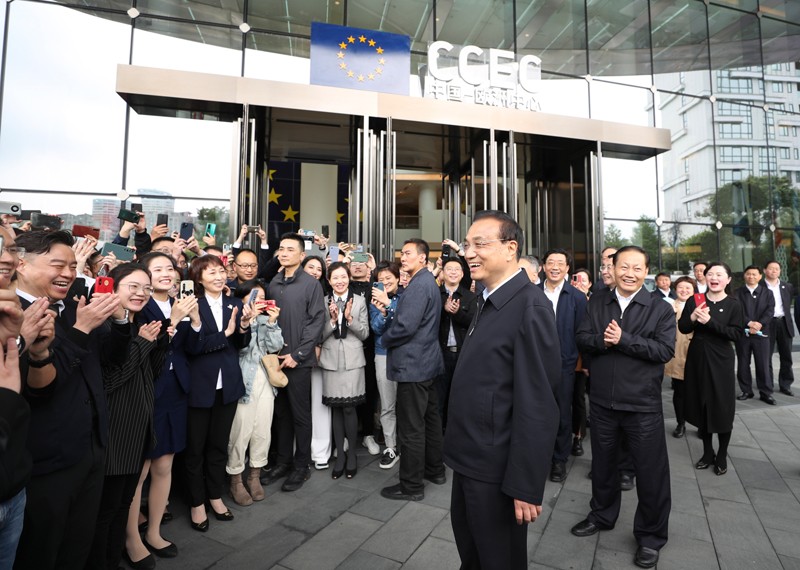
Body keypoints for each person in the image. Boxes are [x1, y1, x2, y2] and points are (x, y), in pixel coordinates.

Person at [446, 211, 561, 569]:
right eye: (467, 245)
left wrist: (525, 484)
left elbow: (539, 404)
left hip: (496, 469)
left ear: (511, 248)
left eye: (480, 244)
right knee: (472, 555)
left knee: (499, 560)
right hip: (470, 459)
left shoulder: (530, 307)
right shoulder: (486, 298)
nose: (469, 253)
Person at [13, 230, 133, 570]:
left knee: (78, 546)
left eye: (71, 265)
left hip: (90, 448)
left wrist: (119, 320)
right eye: (58, 265)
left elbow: (112, 358)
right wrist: (82, 329)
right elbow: (38, 387)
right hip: (45, 459)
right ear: (21, 264)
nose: (68, 273)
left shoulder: (72, 307)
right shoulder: (12, 314)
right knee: (41, 551)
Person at [572, 245, 675, 569]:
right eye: (623, 267)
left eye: (637, 268)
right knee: (603, 467)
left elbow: (664, 350)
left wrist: (624, 339)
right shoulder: (597, 302)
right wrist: (604, 340)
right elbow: (582, 338)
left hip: (642, 406)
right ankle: (601, 515)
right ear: (612, 269)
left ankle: (651, 537)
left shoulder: (660, 308)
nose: (629, 274)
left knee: (650, 474)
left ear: (646, 272)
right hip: (602, 402)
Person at [86, 263, 170, 570]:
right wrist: (143, 343)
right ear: (111, 287)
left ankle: (112, 561)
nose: (141, 293)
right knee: (105, 512)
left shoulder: (138, 327)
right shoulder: (102, 328)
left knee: (124, 505)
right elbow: (109, 382)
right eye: (133, 286)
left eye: (146, 288)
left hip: (137, 433)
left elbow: (150, 375)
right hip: (114, 435)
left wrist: (160, 344)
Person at [126, 252, 201, 564]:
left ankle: (154, 531)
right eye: (157, 269)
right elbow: (143, 350)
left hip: (175, 391)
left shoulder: (180, 302)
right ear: (145, 275)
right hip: (147, 390)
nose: (166, 273)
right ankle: (131, 537)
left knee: (164, 466)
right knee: (139, 470)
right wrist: (174, 319)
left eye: (170, 268)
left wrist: (194, 320)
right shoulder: (139, 305)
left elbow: (192, 349)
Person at [184, 255, 253, 531]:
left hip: (228, 386)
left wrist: (243, 327)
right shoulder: (190, 304)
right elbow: (191, 346)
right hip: (199, 387)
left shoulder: (235, 303)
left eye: (221, 271)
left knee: (218, 446)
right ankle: (196, 502)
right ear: (198, 279)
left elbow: (242, 343)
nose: (218, 276)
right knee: (195, 449)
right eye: (211, 272)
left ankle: (214, 495)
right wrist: (225, 333)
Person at [0, 226, 55, 570]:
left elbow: (37, 391)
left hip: (13, 490)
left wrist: (25, 346)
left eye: (11, 249)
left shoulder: (14, 314)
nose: (8, 258)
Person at [380, 239, 446, 501]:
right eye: (402, 254)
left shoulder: (419, 284)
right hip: (427, 363)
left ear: (423, 258)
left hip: (413, 366)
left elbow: (405, 327)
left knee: (411, 429)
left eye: (408, 253)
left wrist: (385, 339)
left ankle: (411, 486)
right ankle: (435, 471)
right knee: (431, 421)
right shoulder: (428, 281)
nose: (403, 258)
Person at [260, 233, 325, 492]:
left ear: (302, 255)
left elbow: (316, 322)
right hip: (275, 359)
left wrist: (297, 355)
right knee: (281, 415)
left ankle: (301, 466)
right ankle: (283, 462)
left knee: (300, 415)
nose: (284, 253)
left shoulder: (311, 284)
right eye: (281, 249)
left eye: (290, 249)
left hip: (298, 360)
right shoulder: (274, 282)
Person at [680, 262, 744, 476]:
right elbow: (683, 327)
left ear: (728, 280)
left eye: (719, 274)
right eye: (710, 274)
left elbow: (736, 335)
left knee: (722, 406)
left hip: (721, 359)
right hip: (697, 357)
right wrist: (693, 317)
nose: (713, 278)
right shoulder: (695, 300)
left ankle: (722, 454)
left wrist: (709, 321)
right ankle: (708, 452)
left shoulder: (734, 305)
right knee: (702, 404)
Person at [227, 279, 283, 505]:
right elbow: (241, 349)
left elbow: (275, 347)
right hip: (243, 381)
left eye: (262, 297)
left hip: (266, 382)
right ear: (242, 298)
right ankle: (235, 480)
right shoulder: (235, 318)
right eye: (253, 297)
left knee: (262, 431)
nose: (259, 301)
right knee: (240, 432)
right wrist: (247, 321)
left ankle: (254, 476)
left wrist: (271, 322)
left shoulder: (266, 319)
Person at [537, 249, 587, 483]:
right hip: (535, 365)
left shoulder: (577, 297)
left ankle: (559, 460)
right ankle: (538, 456)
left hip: (565, 365)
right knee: (536, 412)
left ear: (567, 268)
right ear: (543, 267)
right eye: (550, 262)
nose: (555, 267)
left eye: (560, 263)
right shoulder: (532, 293)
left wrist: (584, 363)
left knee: (562, 414)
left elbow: (582, 334)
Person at [318, 262, 369, 479]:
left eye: (343, 277)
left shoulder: (359, 301)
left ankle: (353, 455)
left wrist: (349, 319)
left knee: (349, 408)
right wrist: (332, 322)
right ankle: (340, 455)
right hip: (330, 360)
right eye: (335, 278)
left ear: (349, 278)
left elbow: (365, 333)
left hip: (353, 361)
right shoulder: (322, 302)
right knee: (336, 409)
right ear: (329, 281)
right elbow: (318, 336)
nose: (340, 281)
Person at [436, 256, 478, 430]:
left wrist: (457, 313)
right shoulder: (435, 294)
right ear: (442, 273)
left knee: (460, 397)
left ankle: (457, 434)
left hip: (462, 355)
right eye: (449, 269)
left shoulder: (471, 297)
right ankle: (439, 438)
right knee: (439, 398)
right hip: (440, 354)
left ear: (462, 274)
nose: (453, 272)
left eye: (456, 269)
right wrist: (444, 311)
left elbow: (474, 324)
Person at [369, 261, 402, 469]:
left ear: (398, 278)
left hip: (406, 354)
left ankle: (408, 444)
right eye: (380, 279)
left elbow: (405, 321)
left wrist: (389, 305)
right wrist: (381, 313)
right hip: (383, 353)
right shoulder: (374, 300)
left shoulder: (406, 296)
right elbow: (376, 328)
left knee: (407, 404)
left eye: (389, 277)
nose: (385, 282)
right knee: (387, 404)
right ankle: (391, 446)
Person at [347, 253, 380, 456]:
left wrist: (374, 271)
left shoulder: (373, 287)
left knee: (369, 391)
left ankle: (368, 434)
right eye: (354, 263)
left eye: (362, 263)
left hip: (370, 347)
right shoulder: (343, 286)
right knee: (348, 391)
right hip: (346, 346)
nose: (358, 266)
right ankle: (345, 436)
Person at [302, 255, 332, 470]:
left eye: (319, 269)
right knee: (300, 406)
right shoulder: (291, 289)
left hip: (318, 353)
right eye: (310, 267)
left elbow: (322, 324)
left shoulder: (325, 294)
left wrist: (317, 345)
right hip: (294, 353)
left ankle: (321, 452)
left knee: (320, 404)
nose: (314, 271)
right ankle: (301, 450)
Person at [734, 265, 775, 405]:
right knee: (743, 363)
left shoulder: (767, 293)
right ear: (744, 276)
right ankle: (746, 391)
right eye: (748, 274)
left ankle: (766, 393)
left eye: (754, 274)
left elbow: (770, 311)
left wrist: (758, 325)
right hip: (743, 334)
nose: (751, 276)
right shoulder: (737, 293)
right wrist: (749, 323)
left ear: (760, 276)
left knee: (763, 364)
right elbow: (736, 312)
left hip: (762, 334)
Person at [664, 276, 696, 439]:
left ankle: (701, 425)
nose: (684, 290)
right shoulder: (668, 306)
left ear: (694, 290)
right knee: (680, 392)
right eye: (680, 287)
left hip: (696, 355)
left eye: (688, 288)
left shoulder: (701, 306)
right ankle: (680, 423)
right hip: (677, 355)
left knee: (699, 393)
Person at [763, 260, 796, 396]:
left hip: (784, 323)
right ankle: (768, 385)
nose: (774, 271)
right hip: (767, 323)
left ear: (780, 271)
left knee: (786, 356)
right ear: (765, 271)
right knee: (766, 357)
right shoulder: (760, 287)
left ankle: (785, 385)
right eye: (771, 268)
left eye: (777, 268)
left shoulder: (787, 286)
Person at [571, 268, 592, 456]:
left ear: (590, 284)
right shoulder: (565, 297)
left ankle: (578, 436)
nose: (579, 283)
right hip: (561, 358)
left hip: (580, 359)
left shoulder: (591, 302)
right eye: (576, 279)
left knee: (578, 398)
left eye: (584, 280)